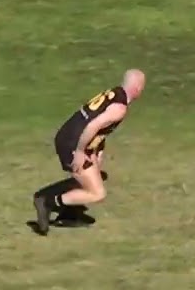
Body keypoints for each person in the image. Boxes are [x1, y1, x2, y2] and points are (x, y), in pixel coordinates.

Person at [31, 70, 147, 235]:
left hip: (70, 136)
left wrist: (97, 150)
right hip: (73, 143)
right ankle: (48, 201)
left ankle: (68, 214)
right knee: (97, 193)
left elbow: (96, 122)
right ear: (137, 88)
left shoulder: (113, 93)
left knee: (92, 175)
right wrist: (79, 151)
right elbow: (92, 126)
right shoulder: (119, 108)